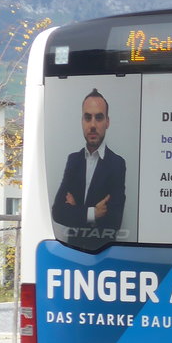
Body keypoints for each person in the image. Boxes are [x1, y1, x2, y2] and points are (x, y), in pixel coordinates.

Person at [51, 89, 127, 249]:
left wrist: (75, 208)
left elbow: (114, 221)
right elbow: (58, 212)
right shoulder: (73, 160)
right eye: (88, 117)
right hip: (71, 251)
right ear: (82, 121)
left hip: (103, 250)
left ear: (107, 122)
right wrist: (93, 212)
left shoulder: (117, 164)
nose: (92, 125)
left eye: (98, 118)